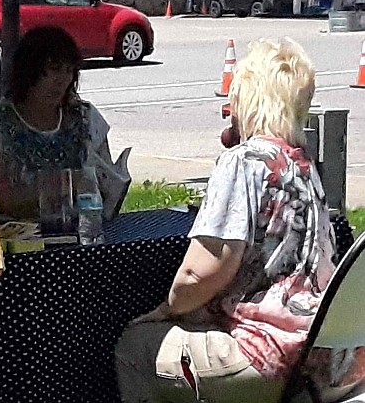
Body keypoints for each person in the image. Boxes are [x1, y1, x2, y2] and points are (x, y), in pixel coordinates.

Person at [115, 38, 338, 403]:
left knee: (135, 345)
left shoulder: (243, 161)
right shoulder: (305, 165)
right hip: (322, 355)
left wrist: (166, 310)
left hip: (266, 356)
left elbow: (204, 270)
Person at [0, 27, 131, 223]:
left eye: (69, 70)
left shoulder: (85, 116)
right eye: (53, 69)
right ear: (28, 70)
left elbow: (105, 181)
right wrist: (61, 188)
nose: (61, 80)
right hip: (19, 237)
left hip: (81, 230)